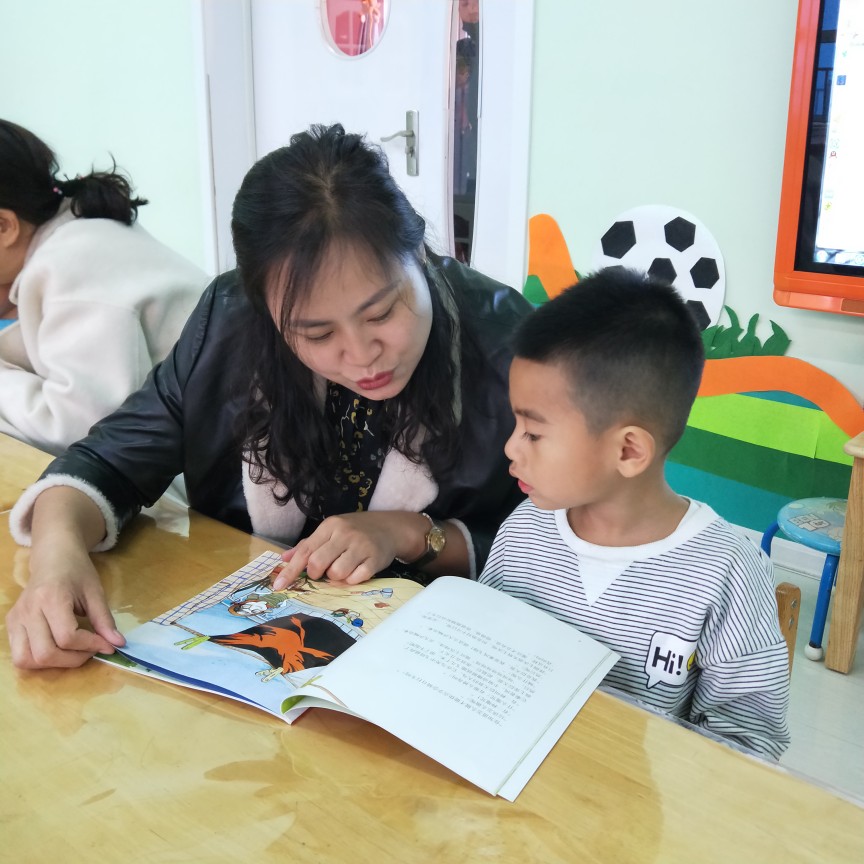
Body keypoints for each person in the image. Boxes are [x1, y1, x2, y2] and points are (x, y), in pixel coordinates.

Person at [6, 123, 531, 670]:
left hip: (440, 659)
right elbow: (108, 462)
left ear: (418, 252)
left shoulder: (510, 349)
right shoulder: (228, 323)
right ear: (267, 313)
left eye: (380, 313)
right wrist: (55, 559)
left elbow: (567, 548)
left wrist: (414, 535)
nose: (362, 355)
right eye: (316, 333)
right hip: (259, 653)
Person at [479, 268, 790, 759]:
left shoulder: (726, 572)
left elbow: (750, 745)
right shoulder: (523, 530)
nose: (511, 448)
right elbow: (483, 658)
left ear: (628, 451)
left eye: (533, 433)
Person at [0, 119, 208, 454]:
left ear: (5, 226)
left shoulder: (69, 265)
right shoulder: (78, 234)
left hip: (229, 463)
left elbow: (81, 432)